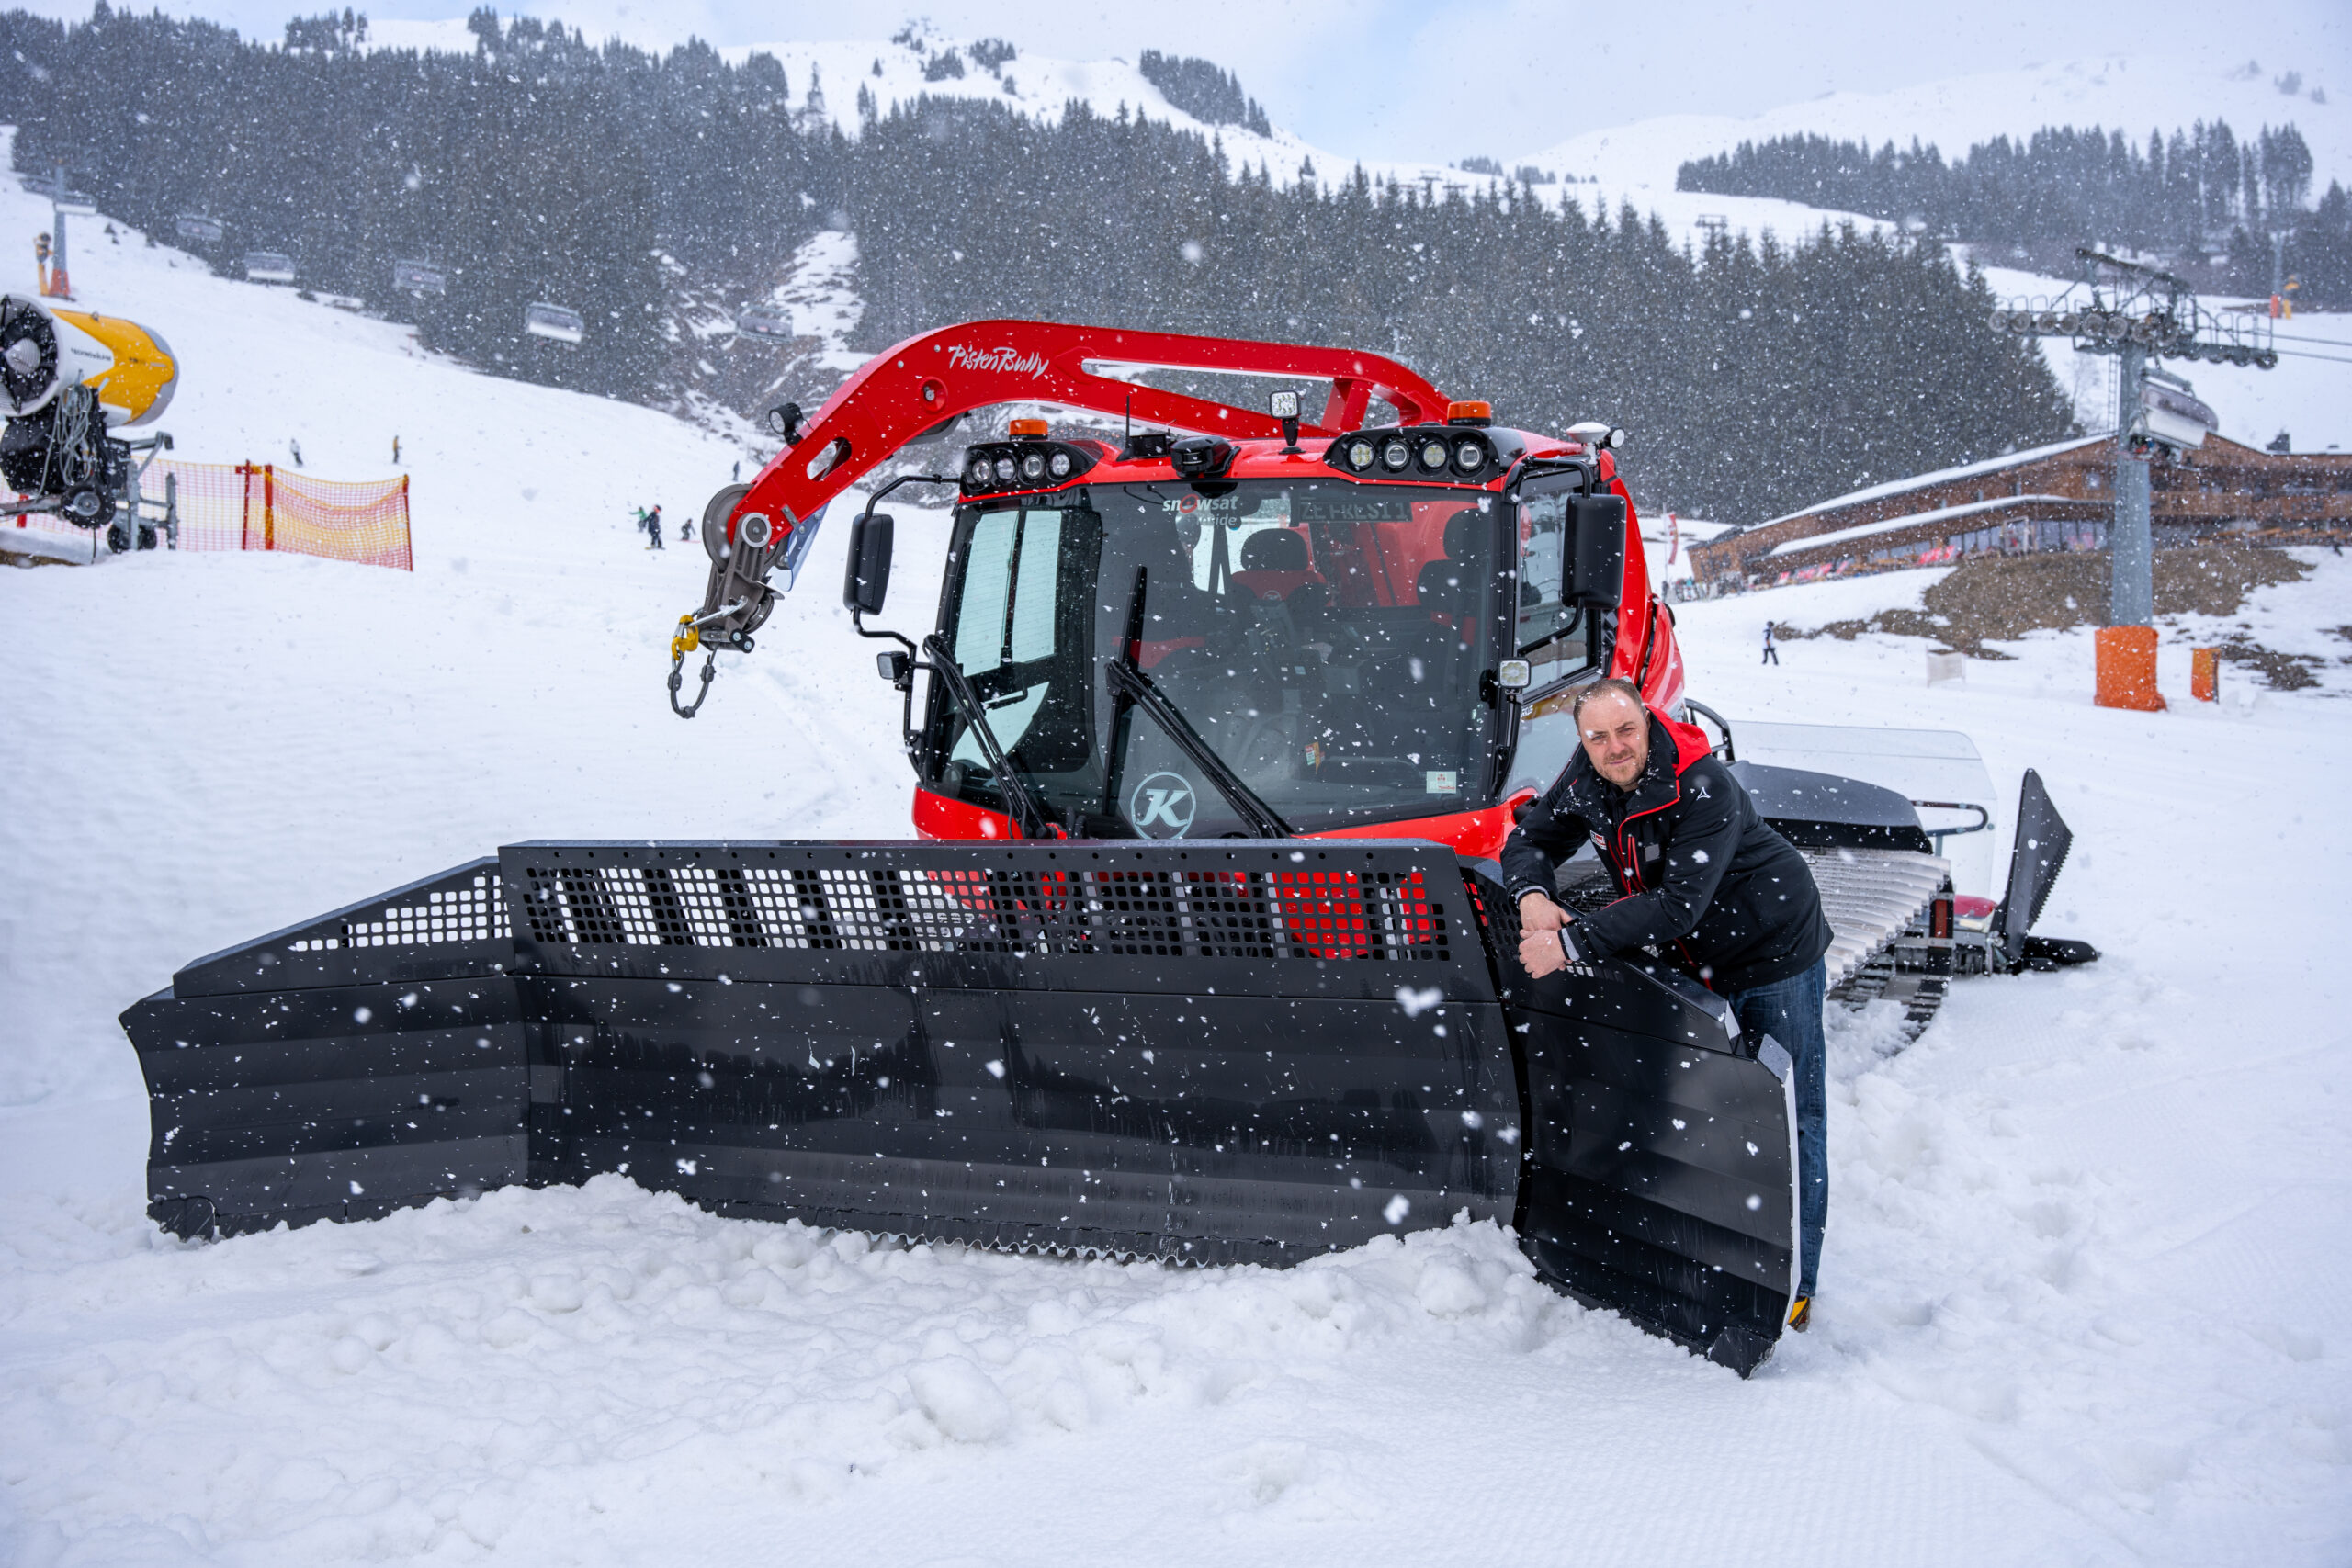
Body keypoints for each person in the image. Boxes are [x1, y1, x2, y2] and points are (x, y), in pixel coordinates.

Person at [1501, 677, 1833, 1330]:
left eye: (1626, 730)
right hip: (1698, 956)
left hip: (1770, 948)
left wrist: (1568, 941)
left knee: (1790, 1114)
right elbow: (1530, 839)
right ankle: (1715, 1245)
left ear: (1647, 721)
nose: (1614, 747)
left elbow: (1677, 906)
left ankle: (1798, 1283)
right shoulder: (1590, 774)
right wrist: (1530, 896)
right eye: (1597, 737)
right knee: (1714, 1104)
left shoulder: (1702, 785)